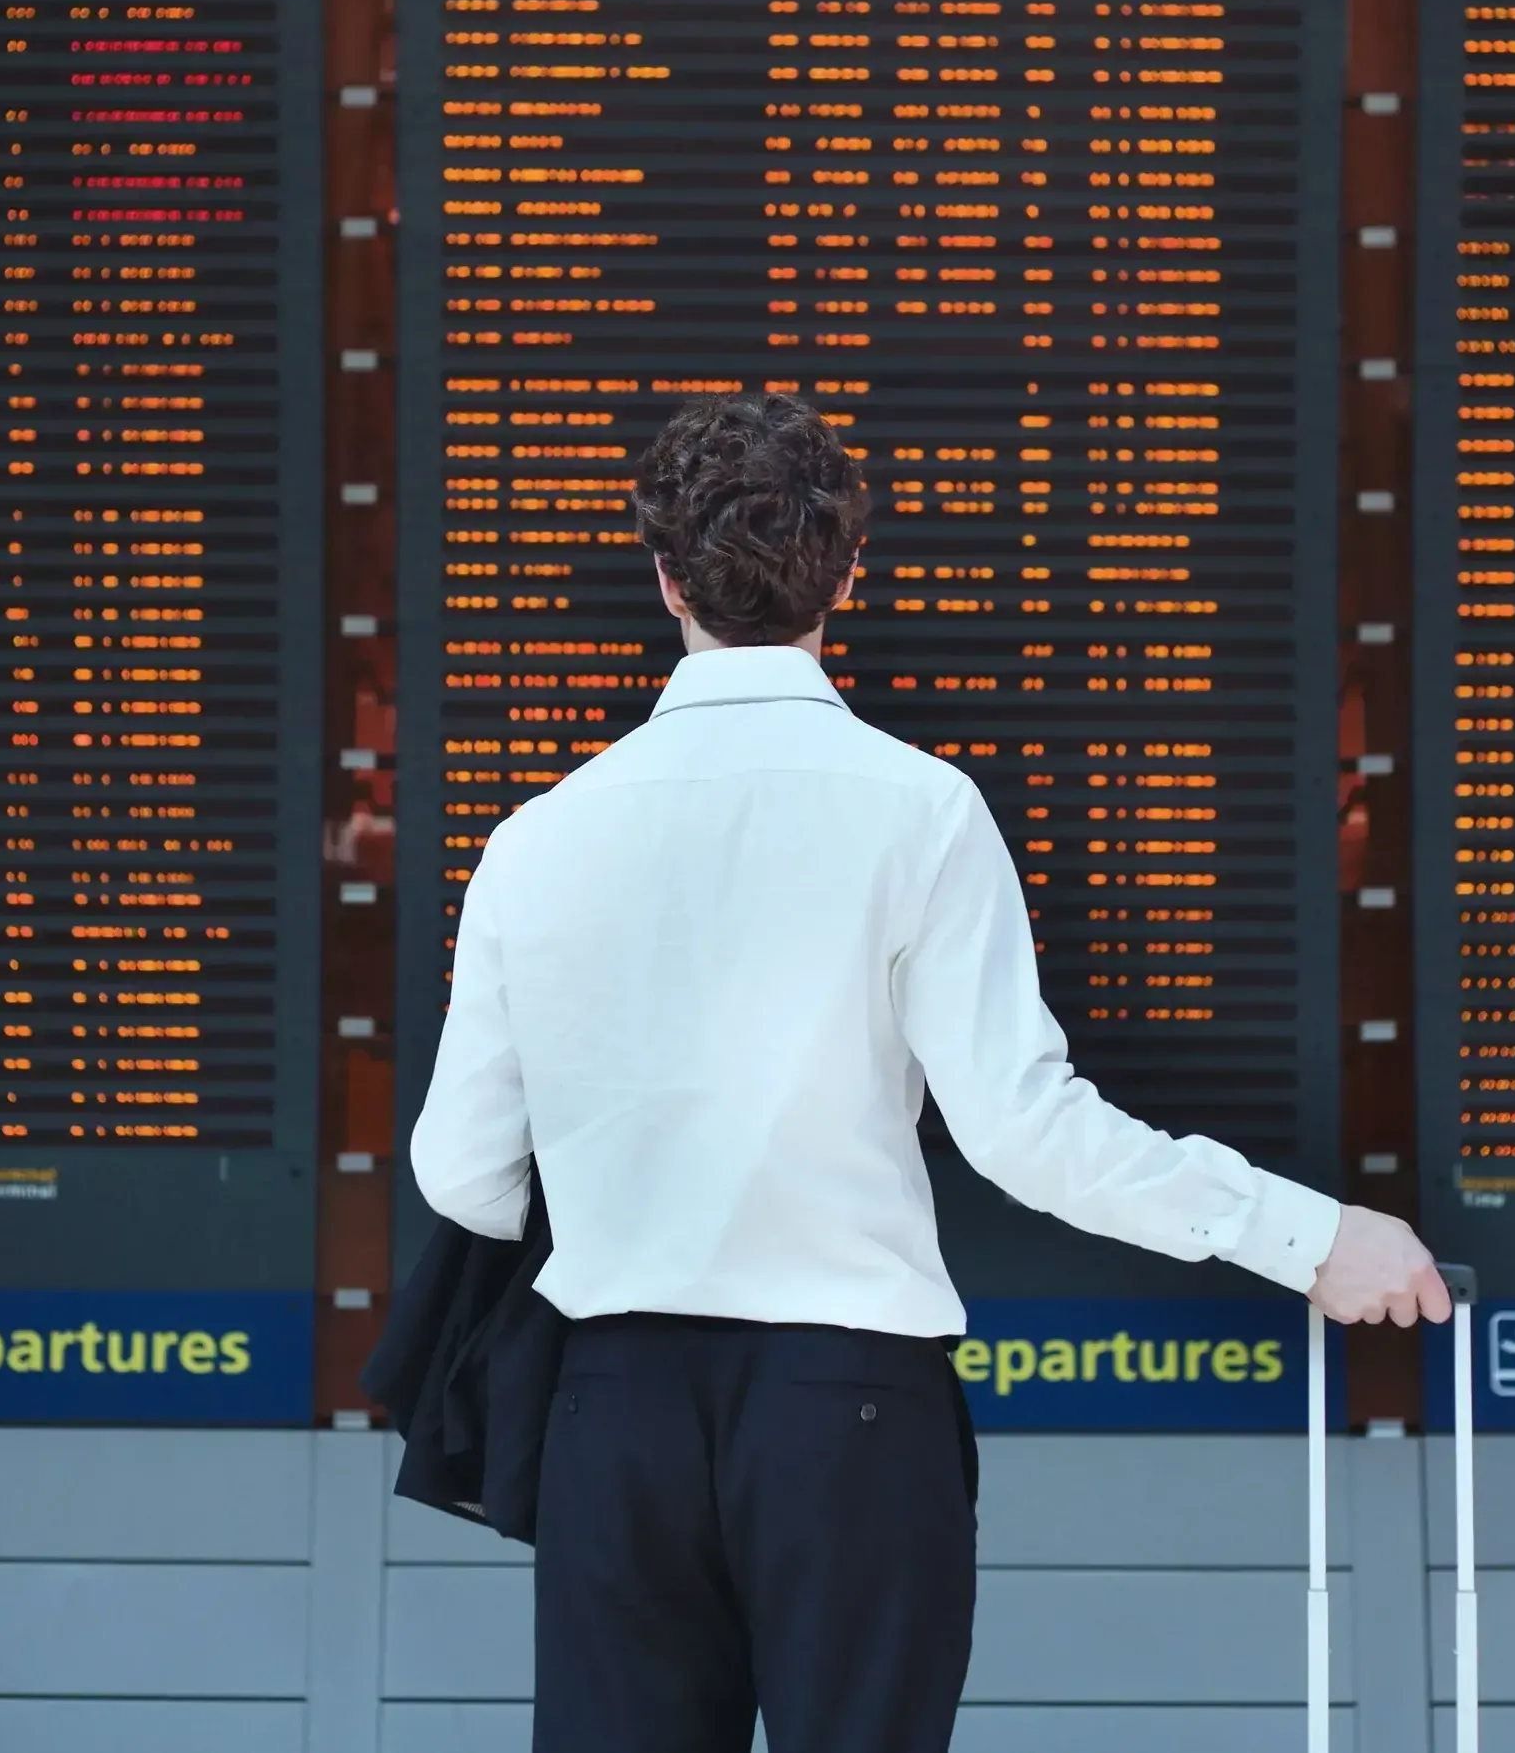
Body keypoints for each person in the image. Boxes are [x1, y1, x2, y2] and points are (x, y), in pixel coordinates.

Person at [411, 392, 1452, 1753]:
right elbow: (1025, 1132)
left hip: (618, 1415)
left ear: (665, 578)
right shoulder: (920, 809)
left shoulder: (536, 840)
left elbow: (462, 1176)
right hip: (847, 1412)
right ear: (850, 574)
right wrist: (1309, 1236)